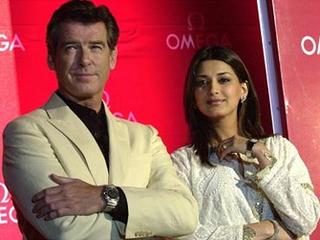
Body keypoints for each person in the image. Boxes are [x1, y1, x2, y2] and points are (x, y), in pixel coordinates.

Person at [2, 1, 198, 239]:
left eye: (96, 47)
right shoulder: (26, 132)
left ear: (112, 57)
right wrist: (152, 223)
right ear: (52, 58)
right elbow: (69, 231)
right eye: (71, 48)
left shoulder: (145, 137)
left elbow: (185, 215)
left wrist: (104, 197)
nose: (85, 60)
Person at [171, 46, 320, 240]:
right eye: (202, 83)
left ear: (243, 90)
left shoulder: (279, 148)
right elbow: (180, 235)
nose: (213, 90)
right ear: (193, 98)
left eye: (223, 80)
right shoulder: (183, 163)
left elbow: (306, 220)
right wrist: (266, 230)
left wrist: (258, 151)